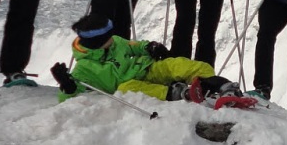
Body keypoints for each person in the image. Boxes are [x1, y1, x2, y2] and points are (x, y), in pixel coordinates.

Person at [51, 14, 237, 103]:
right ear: (97, 42)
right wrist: (67, 87)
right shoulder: (83, 69)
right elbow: (71, 99)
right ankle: (181, 94)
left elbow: (136, 47)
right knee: (126, 89)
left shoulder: (114, 41)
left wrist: (150, 46)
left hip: (147, 68)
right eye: (108, 36)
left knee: (178, 65)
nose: (113, 38)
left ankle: (218, 86)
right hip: (131, 83)